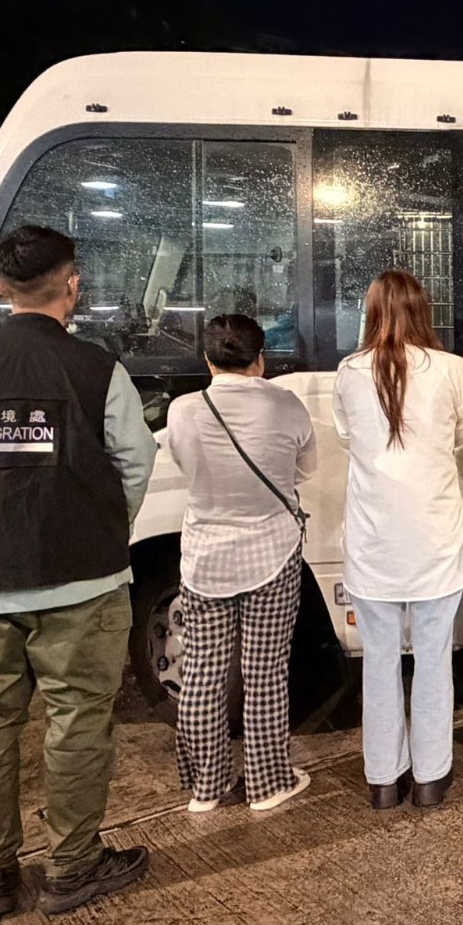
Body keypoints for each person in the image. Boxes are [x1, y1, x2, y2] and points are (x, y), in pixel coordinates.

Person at [0, 225, 157, 920]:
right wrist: (103, 530)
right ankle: (72, 867)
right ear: (72, 286)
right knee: (77, 719)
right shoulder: (97, 370)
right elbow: (136, 463)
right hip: (82, 582)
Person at [334, 270, 463, 810]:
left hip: (372, 546)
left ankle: (382, 780)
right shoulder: (449, 368)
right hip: (435, 542)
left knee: (379, 662)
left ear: (371, 312)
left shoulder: (349, 372)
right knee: (434, 659)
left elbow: (347, 436)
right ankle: (430, 779)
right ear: (423, 310)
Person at [165, 314, 318, 813]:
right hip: (272, 553)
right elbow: (305, 469)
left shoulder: (183, 411)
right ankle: (267, 783)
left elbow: (186, 467)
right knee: (265, 673)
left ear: (208, 361)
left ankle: (206, 788)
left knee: (202, 673)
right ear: (261, 359)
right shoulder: (285, 404)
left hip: (204, 560)